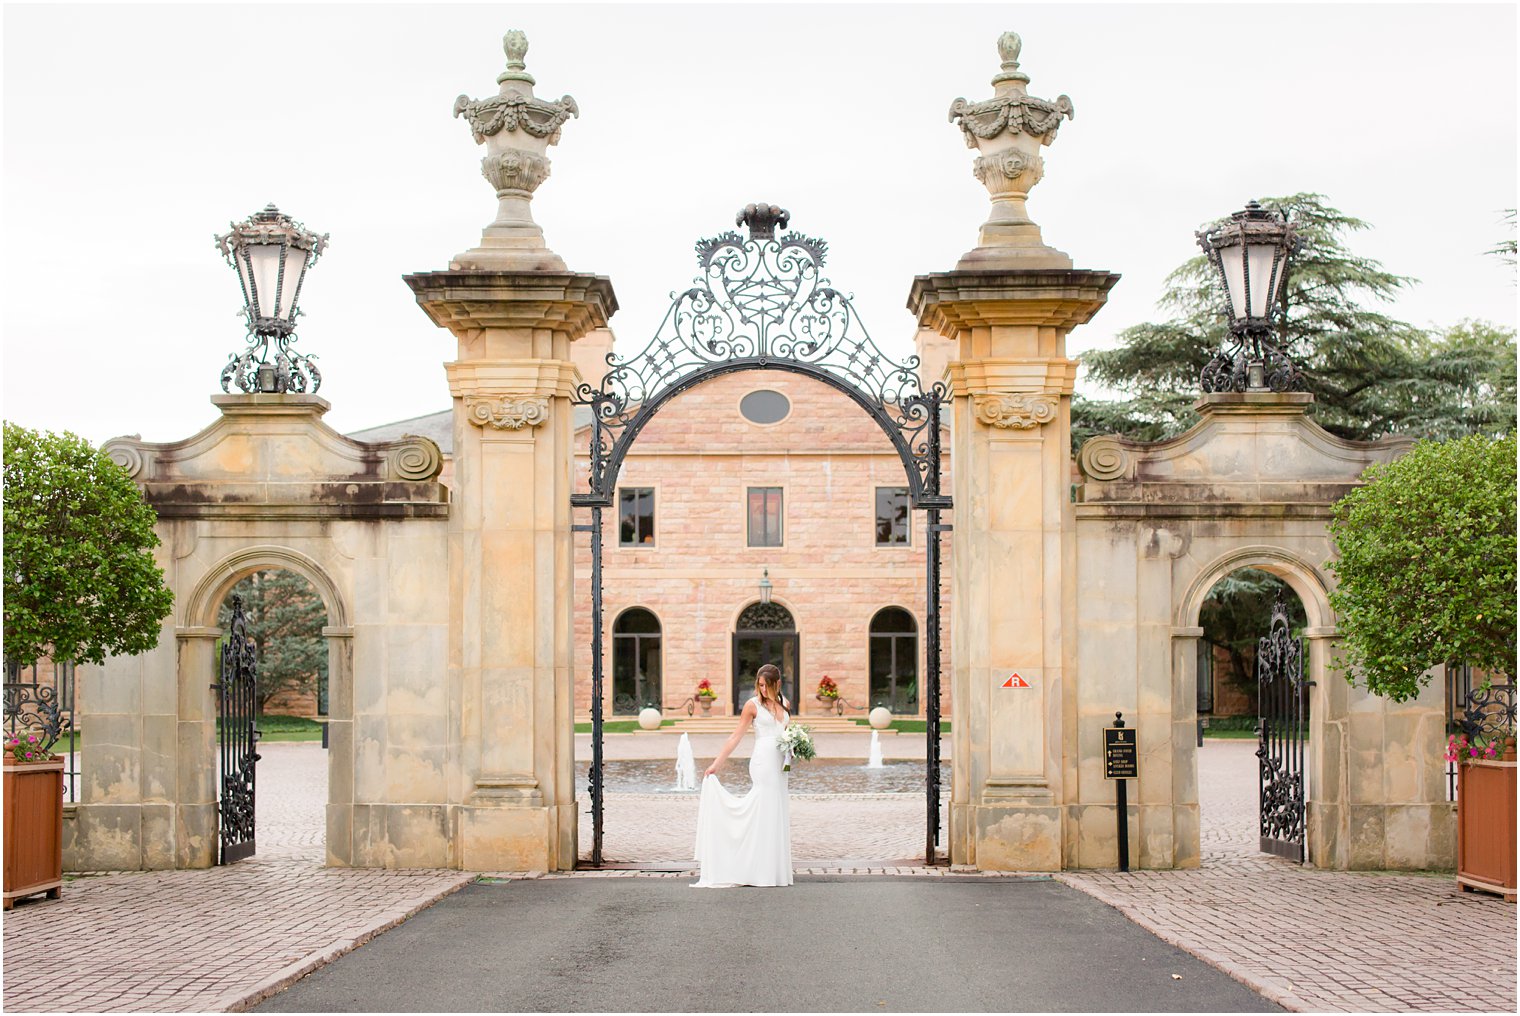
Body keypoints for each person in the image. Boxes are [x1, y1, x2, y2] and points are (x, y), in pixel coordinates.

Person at [691, 663, 793, 888]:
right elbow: (736, 737)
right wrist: (716, 764)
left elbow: (788, 734)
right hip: (763, 763)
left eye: (766, 685)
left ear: (777, 684)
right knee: (763, 807)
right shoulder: (752, 705)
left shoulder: (785, 704)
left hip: (780, 765)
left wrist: (795, 747)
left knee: (775, 809)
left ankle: (772, 869)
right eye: (760, 685)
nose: (762, 690)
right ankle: (750, 866)